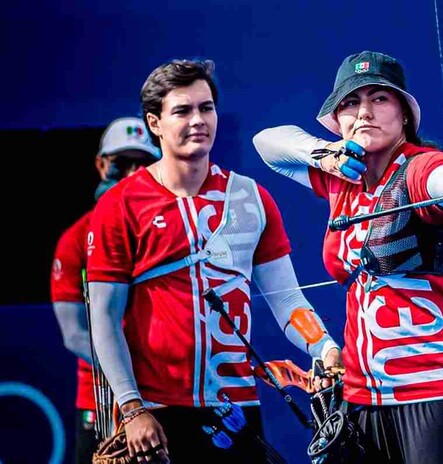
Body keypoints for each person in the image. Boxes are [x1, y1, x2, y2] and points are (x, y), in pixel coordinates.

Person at [252, 50, 443, 463]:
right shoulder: (341, 178)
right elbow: (266, 143)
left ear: (404, 115)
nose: (364, 112)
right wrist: (324, 154)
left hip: (442, 392)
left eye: (380, 99)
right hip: (364, 398)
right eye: (350, 102)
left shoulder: (420, 166)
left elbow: (441, 182)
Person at [85, 58, 342, 463]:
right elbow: (102, 318)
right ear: (155, 123)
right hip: (155, 416)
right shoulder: (120, 205)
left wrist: (326, 349)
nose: (198, 120)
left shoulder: (252, 199)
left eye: (206, 108)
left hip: (236, 412)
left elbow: (289, 302)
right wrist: (133, 408)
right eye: (182, 110)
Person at [51, 116, 160, 463]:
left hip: (167, 393)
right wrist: (128, 376)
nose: (131, 174)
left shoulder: (167, 232)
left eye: (142, 164)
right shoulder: (74, 241)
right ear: (101, 165)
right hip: (101, 400)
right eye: (121, 163)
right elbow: (74, 334)